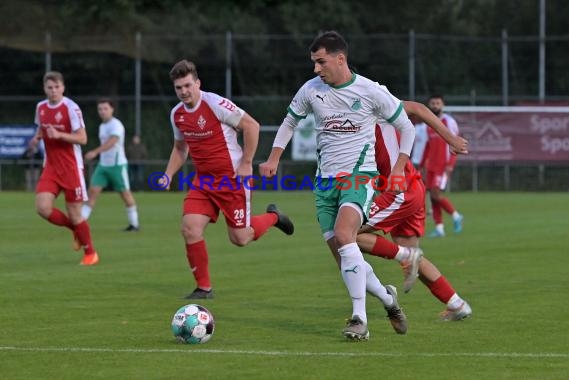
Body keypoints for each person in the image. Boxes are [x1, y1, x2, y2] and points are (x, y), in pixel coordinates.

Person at [260, 31, 417, 341]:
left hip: (360, 177)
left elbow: (406, 127)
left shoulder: (370, 91)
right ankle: (388, 299)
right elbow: (290, 122)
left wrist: (398, 170)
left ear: (339, 59)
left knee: (347, 236)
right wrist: (273, 158)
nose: (316, 69)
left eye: (321, 62)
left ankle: (359, 319)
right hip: (324, 184)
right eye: (314, 63)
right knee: (345, 256)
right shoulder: (311, 90)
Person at [160, 59, 294, 300]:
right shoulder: (177, 114)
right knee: (190, 228)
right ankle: (204, 288)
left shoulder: (215, 104)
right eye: (178, 88)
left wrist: (246, 163)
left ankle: (274, 217)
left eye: (188, 85)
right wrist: (168, 174)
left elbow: (252, 126)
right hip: (203, 182)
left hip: (231, 180)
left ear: (197, 83)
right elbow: (180, 149)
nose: (183, 91)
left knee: (240, 238)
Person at [356, 100, 472, 321]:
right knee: (410, 258)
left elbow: (417, 109)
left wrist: (450, 139)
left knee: (346, 233)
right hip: (409, 187)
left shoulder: (371, 99)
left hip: (400, 191)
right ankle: (456, 304)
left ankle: (382, 292)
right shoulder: (351, 110)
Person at [28, 71, 99, 266]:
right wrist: (37, 138)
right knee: (42, 208)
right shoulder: (40, 107)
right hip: (50, 167)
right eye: (49, 88)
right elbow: (42, 128)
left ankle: (90, 254)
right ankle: (76, 230)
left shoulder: (71, 108)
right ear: (44, 89)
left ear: (63, 87)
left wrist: (60, 135)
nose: (53, 91)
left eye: (57, 87)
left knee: (76, 214)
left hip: (71, 168)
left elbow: (83, 138)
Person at [81, 99, 140, 231]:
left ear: (112, 109)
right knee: (92, 192)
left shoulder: (116, 125)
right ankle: (79, 223)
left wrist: (95, 152)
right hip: (103, 166)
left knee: (125, 194)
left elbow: (112, 141)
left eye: (105, 108)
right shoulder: (102, 126)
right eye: (100, 109)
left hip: (117, 166)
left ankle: (134, 224)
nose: (102, 111)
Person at [419, 94, 464, 237]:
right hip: (431, 166)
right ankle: (439, 228)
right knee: (432, 196)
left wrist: (451, 164)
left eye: (438, 103)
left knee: (436, 194)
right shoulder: (429, 124)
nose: (435, 106)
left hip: (442, 165)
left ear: (442, 105)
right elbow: (427, 146)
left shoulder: (449, 121)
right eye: (433, 103)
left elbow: (456, 143)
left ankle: (456, 215)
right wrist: (422, 165)